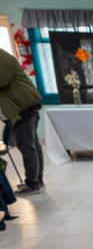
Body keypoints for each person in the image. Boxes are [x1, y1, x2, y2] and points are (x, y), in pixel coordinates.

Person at [0, 49, 43, 195]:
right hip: (22, 106)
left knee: (27, 147)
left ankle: (33, 184)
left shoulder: (2, 57)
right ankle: (37, 180)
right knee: (33, 145)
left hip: (22, 107)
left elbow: (2, 79)